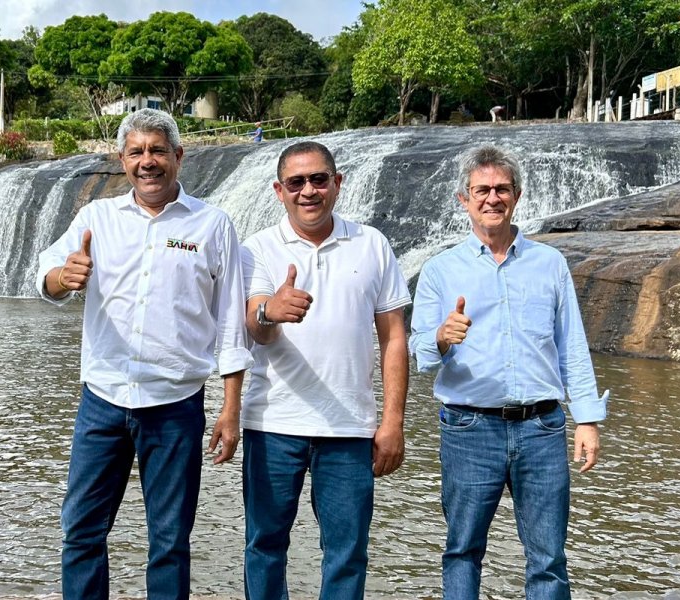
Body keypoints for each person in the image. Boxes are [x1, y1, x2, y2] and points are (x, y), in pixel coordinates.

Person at [36, 107, 252, 600]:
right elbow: (49, 273)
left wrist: (230, 408)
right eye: (136, 152)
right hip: (103, 400)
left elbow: (229, 324)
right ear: (122, 160)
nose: (147, 161)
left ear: (178, 156)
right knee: (82, 532)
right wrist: (62, 278)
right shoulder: (96, 218)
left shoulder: (213, 225)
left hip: (176, 406)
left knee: (171, 542)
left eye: (157, 150)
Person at [408, 145, 607, 600]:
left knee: (549, 557)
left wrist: (588, 420)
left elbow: (572, 345)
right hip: (468, 427)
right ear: (464, 199)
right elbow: (421, 353)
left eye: (501, 189)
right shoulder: (440, 270)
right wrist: (442, 336)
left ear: (516, 195)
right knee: (462, 550)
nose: (492, 198)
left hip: (542, 427)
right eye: (481, 190)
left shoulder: (550, 263)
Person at [240, 141, 411, 599]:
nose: (308, 191)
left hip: (350, 428)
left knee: (347, 552)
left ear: (337, 183)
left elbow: (394, 338)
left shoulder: (372, 244)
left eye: (319, 179)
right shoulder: (256, 249)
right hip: (272, 424)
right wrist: (270, 312)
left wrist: (392, 421)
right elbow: (254, 329)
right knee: (264, 545)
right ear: (279, 190)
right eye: (296, 182)